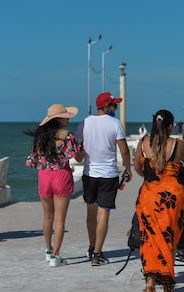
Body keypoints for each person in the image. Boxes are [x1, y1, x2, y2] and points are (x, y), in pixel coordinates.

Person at [134, 109, 184, 292]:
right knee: (168, 238)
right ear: (170, 126)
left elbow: (138, 167)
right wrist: (181, 175)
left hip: (148, 197)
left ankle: (150, 283)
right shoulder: (178, 145)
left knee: (150, 240)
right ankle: (167, 281)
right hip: (172, 198)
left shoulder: (143, 143)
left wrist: (152, 178)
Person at [75, 92, 132, 266]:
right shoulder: (115, 124)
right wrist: (128, 169)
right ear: (106, 107)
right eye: (114, 106)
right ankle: (98, 254)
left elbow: (78, 156)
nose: (115, 108)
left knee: (91, 214)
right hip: (108, 175)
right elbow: (124, 151)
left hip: (89, 175)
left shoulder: (84, 123)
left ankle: (92, 247)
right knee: (103, 213)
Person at [25, 103, 81, 267]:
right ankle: (56, 256)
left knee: (47, 216)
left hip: (44, 176)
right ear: (59, 119)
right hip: (61, 176)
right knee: (60, 219)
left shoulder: (41, 137)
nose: (68, 120)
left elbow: (34, 160)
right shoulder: (68, 136)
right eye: (66, 117)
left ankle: (48, 250)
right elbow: (78, 158)